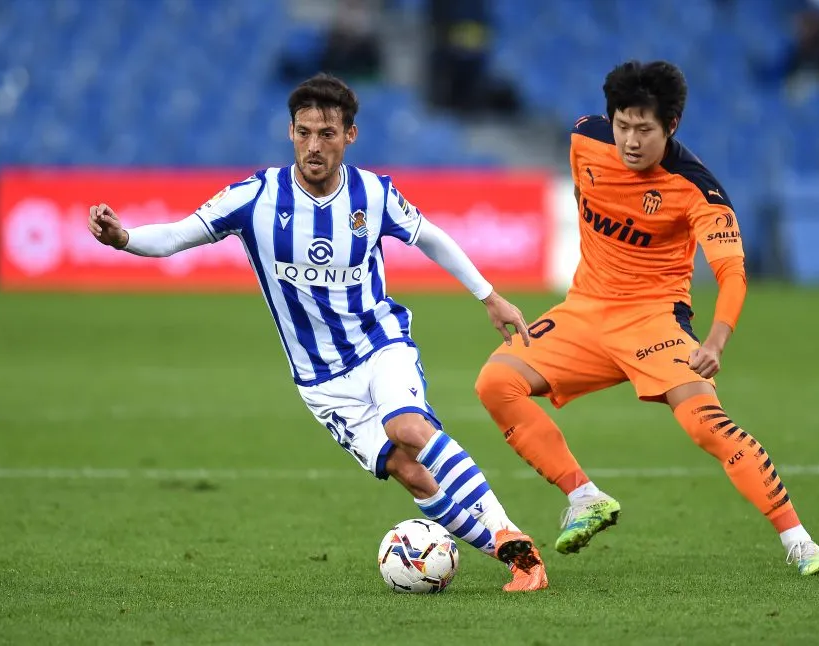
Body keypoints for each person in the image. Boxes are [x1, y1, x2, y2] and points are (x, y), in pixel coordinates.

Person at [87, 73, 547, 592]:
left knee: (408, 428)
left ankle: (511, 533)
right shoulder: (255, 198)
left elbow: (431, 238)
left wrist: (489, 296)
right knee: (412, 473)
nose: (314, 145)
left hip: (380, 346)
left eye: (326, 134)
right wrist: (123, 238)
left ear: (349, 135)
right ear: (290, 133)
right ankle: (518, 562)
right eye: (304, 132)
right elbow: (175, 235)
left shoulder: (373, 194)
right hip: (322, 382)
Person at [474, 60, 819, 575]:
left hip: (654, 322)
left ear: (672, 125)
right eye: (623, 125)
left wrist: (716, 339)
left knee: (706, 425)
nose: (631, 140)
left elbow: (732, 272)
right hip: (585, 313)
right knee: (495, 382)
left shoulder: (697, 188)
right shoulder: (583, 140)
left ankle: (799, 540)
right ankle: (584, 497)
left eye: (645, 129)